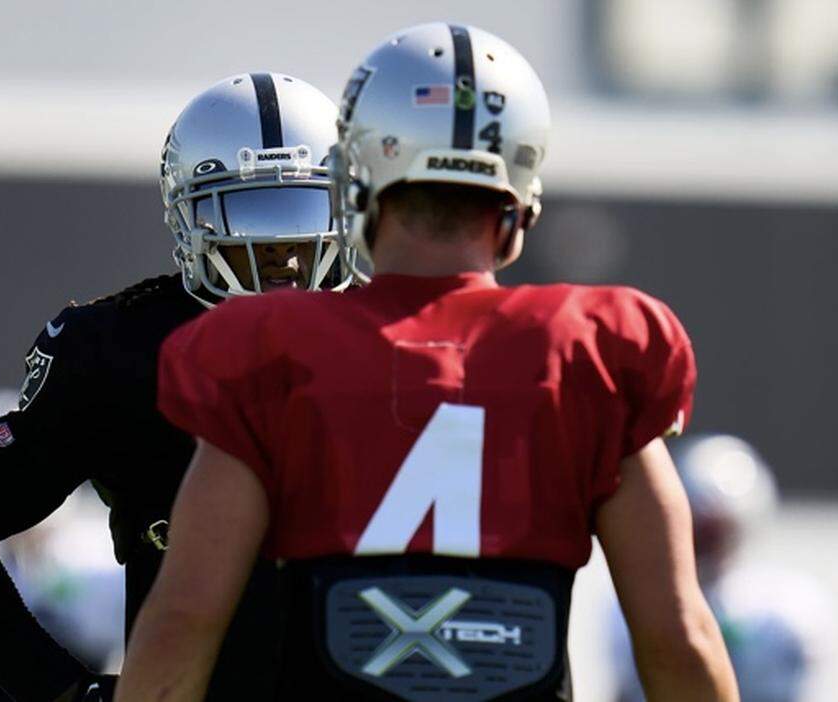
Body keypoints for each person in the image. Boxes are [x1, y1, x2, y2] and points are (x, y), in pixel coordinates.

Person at [118, 22, 738, 702]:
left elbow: (182, 624)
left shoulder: (268, 350)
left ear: (355, 180)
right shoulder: (593, 351)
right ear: (520, 193)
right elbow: (677, 638)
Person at [0, 72, 352, 702]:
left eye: (303, 210)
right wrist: (65, 690)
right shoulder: (122, 352)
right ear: (191, 220)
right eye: (253, 216)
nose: (285, 253)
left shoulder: (403, 338)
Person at [607, 434, 834, 702]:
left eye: (714, 533)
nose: (707, 546)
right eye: (700, 531)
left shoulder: (788, 609)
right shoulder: (632, 603)